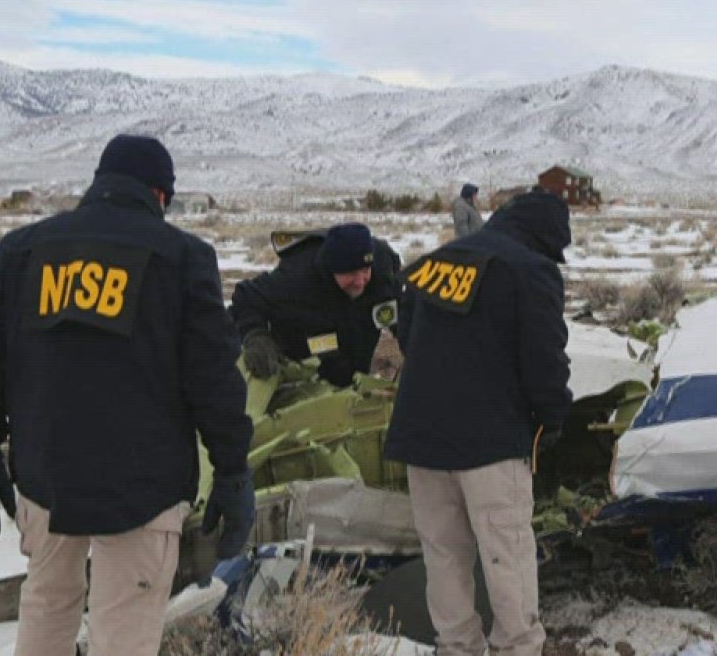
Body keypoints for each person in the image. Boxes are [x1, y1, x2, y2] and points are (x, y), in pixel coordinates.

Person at [0, 134, 256, 656]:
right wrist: (231, 468)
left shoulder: (23, 250)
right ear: (160, 196)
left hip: (45, 478)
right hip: (143, 489)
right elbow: (213, 379)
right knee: (125, 630)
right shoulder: (182, 257)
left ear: (99, 183)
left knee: (46, 607)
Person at [385, 190, 573, 656]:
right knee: (505, 555)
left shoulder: (438, 262)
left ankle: (457, 648)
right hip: (490, 444)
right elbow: (544, 361)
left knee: (444, 557)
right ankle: (519, 648)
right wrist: (551, 421)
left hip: (421, 438)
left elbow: (407, 333)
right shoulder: (531, 270)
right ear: (545, 238)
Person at [230, 222, 402, 387]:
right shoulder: (295, 278)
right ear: (332, 268)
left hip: (357, 362)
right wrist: (255, 335)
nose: (360, 281)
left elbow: (400, 307)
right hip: (306, 369)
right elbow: (246, 298)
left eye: (365, 270)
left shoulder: (382, 268)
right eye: (351, 272)